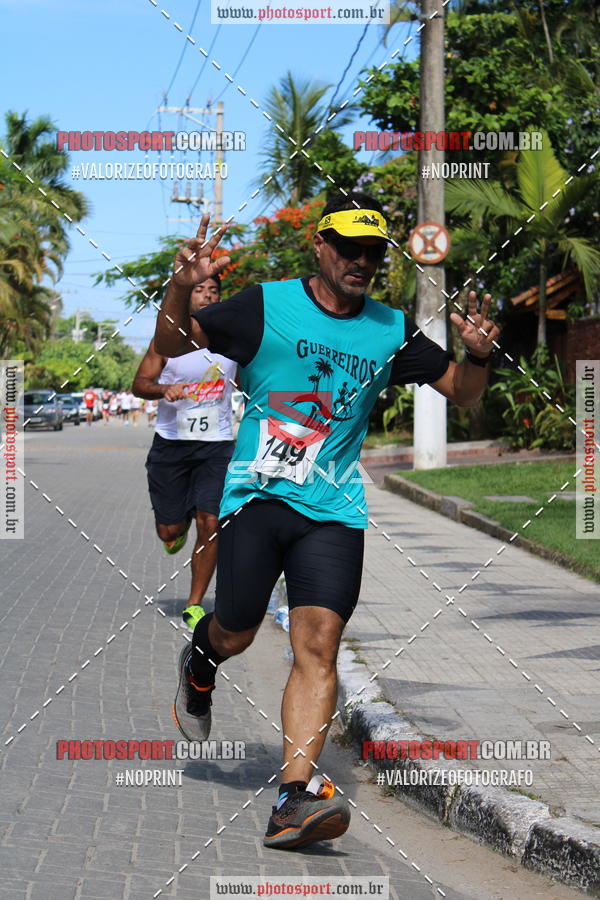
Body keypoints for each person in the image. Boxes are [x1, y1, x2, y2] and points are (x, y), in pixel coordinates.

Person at [153, 194, 500, 851]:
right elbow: (175, 347)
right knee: (238, 629)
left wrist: (478, 356)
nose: (361, 261)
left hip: (334, 508)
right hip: (257, 499)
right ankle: (202, 659)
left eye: (374, 251)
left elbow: (462, 392)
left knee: (318, 645)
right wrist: (177, 291)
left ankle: (292, 800)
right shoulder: (263, 305)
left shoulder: (389, 329)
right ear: (319, 245)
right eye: (349, 247)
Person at [133, 275, 237, 631]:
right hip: (171, 444)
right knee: (170, 529)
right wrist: (164, 389)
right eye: (199, 290)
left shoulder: (233, 341)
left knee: (212, 524)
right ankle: (177, 524)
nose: (207, 296)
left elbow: (258, 380)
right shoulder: (167, 341)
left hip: (217, 446)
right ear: (187, 296)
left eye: (213, 291)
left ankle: (194, 604)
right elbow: (139, 384)